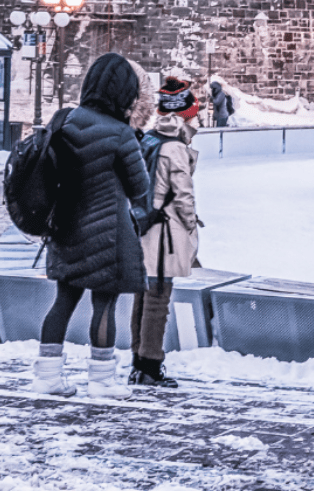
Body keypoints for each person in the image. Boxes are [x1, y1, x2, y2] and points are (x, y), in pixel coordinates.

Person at [31, 53, 152, 399]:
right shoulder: (121, 134)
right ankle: (101, 382)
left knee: (62, 303)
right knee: (104, 307)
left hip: (65, 230)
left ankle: (48, 376)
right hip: (108, 236)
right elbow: (139, 189)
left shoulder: (63, 120)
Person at [129, 80, 202, 388]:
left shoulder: (149, 139)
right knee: (158, 299)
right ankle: (150, 366)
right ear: (185, 114)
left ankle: (138, 362)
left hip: (145, 228)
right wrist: (190, 227)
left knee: (143, 297)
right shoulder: (175, 148)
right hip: (165, 235)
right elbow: (184, 197)